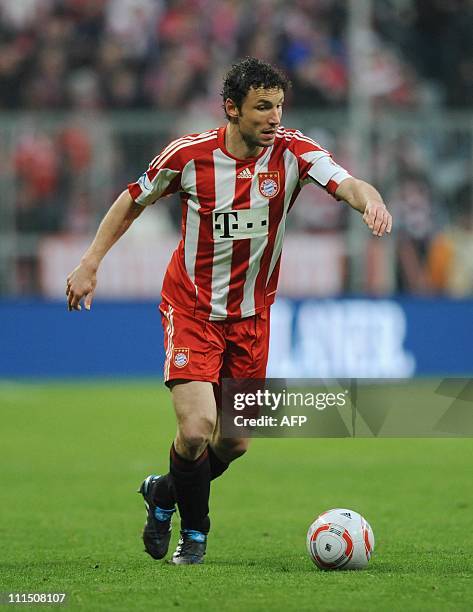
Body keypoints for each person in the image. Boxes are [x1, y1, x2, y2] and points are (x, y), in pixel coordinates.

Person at [66, 57, 392, 565]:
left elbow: (349, 182)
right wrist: (90, 262)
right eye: (263, 107)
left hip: (252, 318)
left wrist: (371, 202)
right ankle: (195, 536)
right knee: (196, 430)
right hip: (192, 309)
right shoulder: (189, 156)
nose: (274, 117)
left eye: (279, 106)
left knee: (235, 442)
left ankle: (163, 495)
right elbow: (132, 200)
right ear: (232, 109)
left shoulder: (294, 152)